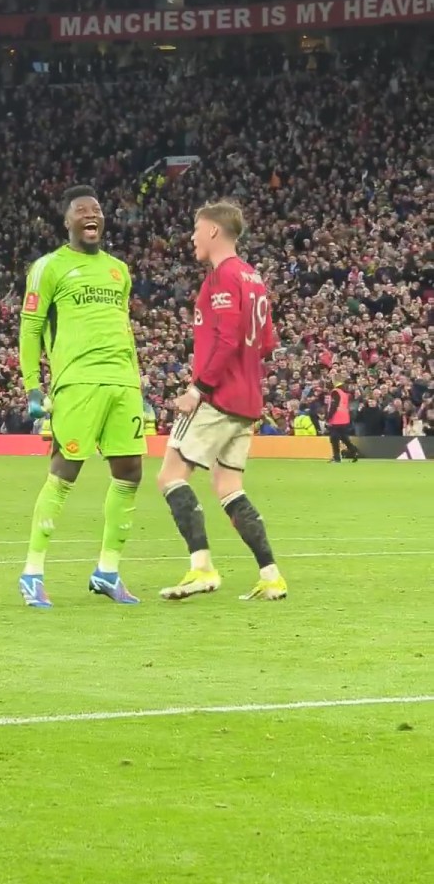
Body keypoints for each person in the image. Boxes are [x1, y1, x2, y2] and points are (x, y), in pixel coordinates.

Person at [18, 185, 145, 608]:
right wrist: (33, 386)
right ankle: (32, 573)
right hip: (78, 382)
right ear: (67, 221)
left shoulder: (119, 270)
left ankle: (107, 571)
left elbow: (123, 329)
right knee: (65, 471)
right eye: (81, 210)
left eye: (97, 209)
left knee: (129, 473)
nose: (91, 214)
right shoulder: (49, 267)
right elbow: (31, 329)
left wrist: (139, 386)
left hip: (122, 383)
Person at [157, 199, 287, 602]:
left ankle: (202, 568)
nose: (192, 237)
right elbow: (266, 343)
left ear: (213, 230)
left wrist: (198, 389)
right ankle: (271, 575)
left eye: (196, 229)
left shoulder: (222, 278)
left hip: (218, 397)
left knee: (170, 477)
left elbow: (229, 339)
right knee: (228, 486)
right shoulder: (253, 277)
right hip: (248, 400)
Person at [327, 378, 360, 463]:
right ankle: (354, 451)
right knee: (343, 437)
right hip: (344, 419)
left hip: (336, 419)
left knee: (334, 438)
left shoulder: (335, 392)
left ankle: (337, 457)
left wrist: (328, 417)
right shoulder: (344, 393)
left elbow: (334, 405)